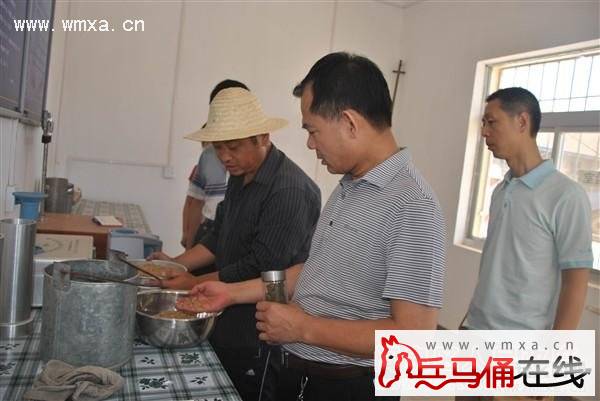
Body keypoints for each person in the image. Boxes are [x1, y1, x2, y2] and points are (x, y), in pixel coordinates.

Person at [177, 52, 447, 401]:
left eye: (312, 130)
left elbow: (414, 337)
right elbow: (312, 272)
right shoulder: (351, 185)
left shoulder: (412, 204)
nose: (309, 143)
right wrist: (231, 293)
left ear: (349, 123)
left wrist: (303, 328)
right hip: (300, 373)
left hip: (347, 386)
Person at [151, 87, 321, 401]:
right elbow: (219, 235)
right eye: (218, 148)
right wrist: (175, 265)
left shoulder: (289, 190)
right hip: (226, 313)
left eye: (234, 147)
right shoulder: (240, 175)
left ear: (263, 138)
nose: (225, 157)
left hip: (259, 329)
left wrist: (194, 282)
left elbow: (263, 268)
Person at [457, 87, 594, 401]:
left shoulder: (566, 196)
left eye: (492, 122)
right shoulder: (501, 190)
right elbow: (498, 266)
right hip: (475, 333)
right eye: (483, 123)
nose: (484, 132)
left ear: (522, 121)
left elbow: (575, 283)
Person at [181, 80, 249, 249]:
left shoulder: (256, 158)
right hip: (209, 230)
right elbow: (195, 202)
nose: (225, 157)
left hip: (240, 235)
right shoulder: (208, 155)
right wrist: (189, 244)